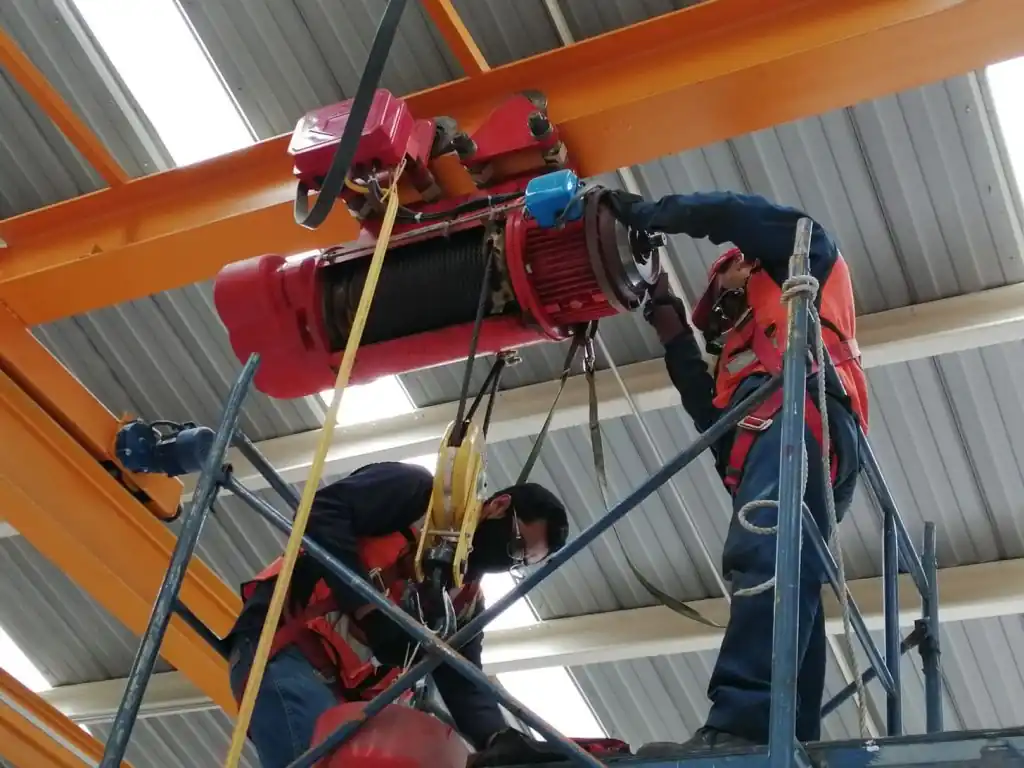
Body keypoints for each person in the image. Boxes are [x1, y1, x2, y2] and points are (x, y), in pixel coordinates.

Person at [607, 191, 869, 754]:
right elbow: (710, 415)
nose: (719, 321)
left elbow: (728, 212)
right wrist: (673, 331)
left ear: (746, 266)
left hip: (804, 421)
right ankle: (787, 735)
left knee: (765, 555)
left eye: (723, 300)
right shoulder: (742, 362)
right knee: (791, 576)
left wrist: (645, 213)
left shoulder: (805, 257)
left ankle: (743, 723)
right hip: (788, 439)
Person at [226, 461, 571, 767]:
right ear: (498, 505)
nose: (508, 561)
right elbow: (323, 511)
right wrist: (367, 607)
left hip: (344, 701)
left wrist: (498, 737)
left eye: (520, 563)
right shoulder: (417, 496)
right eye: (515, 547)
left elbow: (461, 678)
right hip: (287, 647)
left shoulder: (464, 604)